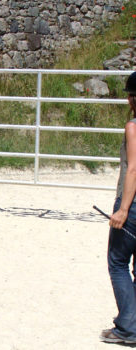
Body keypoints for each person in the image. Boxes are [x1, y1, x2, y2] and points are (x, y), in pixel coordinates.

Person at [100, 71, 136, 344]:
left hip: (133, 205)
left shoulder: (133, 127)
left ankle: (127, 327)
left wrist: (123, 208)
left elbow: (133, 168)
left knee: (118, 263)